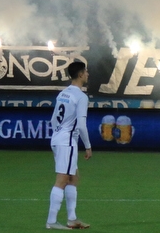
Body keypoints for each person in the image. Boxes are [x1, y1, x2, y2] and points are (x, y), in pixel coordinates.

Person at [46, 61, 92, 229]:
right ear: (80, 74)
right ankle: (51, 221)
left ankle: (72, 219)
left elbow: (52, 120)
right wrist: (88, 145)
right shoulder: (81, 97)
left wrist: (58, 133)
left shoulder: (63, 93)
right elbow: (81, 125)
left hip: (58, 138)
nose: (87, 74)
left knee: (73, 178)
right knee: (63, 179)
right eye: (86, 72)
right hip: (67, 142)